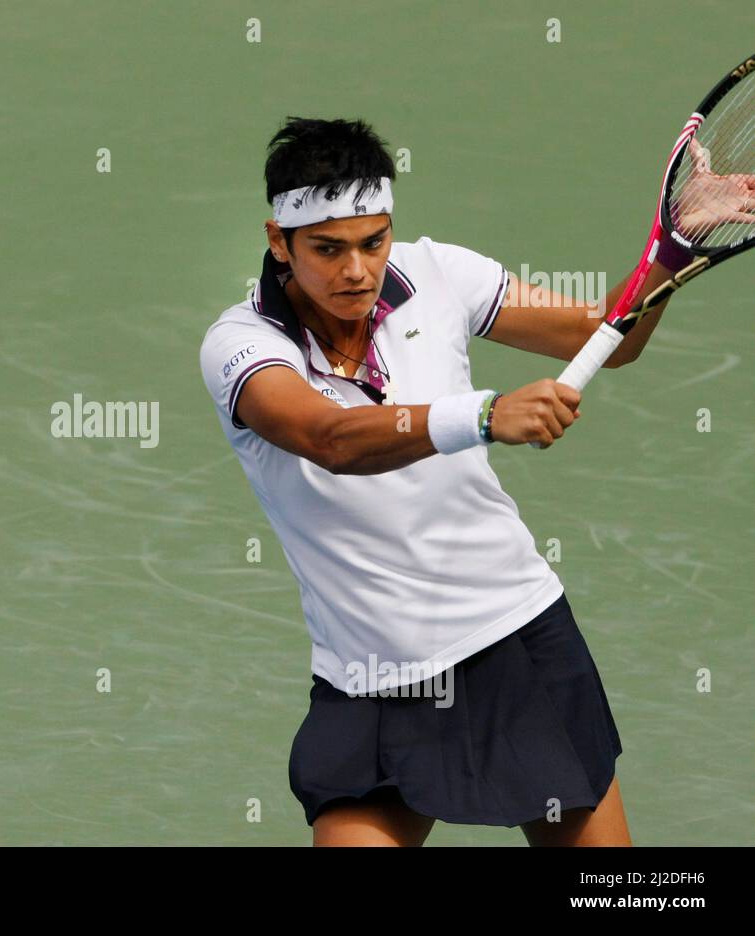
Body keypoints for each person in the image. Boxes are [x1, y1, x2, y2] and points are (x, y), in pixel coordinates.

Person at [198, 117, 712, 846]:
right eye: (327, 249)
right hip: (371, 674)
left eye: (373, 242)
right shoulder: (243, 344)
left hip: (514, 634)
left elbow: (609, 335)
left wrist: (673, 250)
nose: (355, 270)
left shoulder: (439, 275)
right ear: (279, 241)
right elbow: (328, 438)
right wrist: (484, 415)